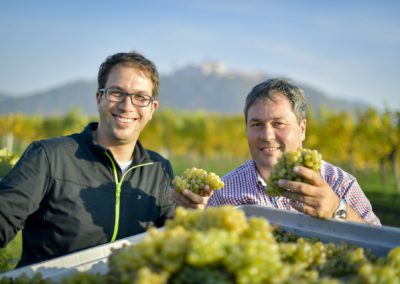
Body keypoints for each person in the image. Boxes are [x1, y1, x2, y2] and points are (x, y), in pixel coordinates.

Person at [0, 51, 179, 267]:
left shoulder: (159, 170)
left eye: (140, 97)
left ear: (152, 109)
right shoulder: (49, 156)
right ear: (99, 98)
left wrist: (190, 214)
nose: (127, 106)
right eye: (116, 93)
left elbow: (173, 245)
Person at [207, 78, 381, 225]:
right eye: (256, 124)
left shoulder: (340, 185)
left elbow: (382, 246)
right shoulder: (223, 192)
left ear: (302, 128)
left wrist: (337, 209)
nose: (267, 135)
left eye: (279, 124)